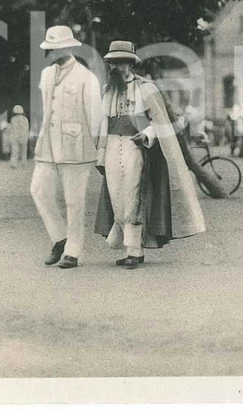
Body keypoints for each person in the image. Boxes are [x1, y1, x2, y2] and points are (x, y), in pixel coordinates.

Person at [93, 40, 205, 269]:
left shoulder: (146, 88)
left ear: (130, 64)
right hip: (112, 146)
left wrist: (146, 135)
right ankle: (131, 248)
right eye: (113, 63)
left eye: (122, 62)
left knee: (133, 197)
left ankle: (134, 251)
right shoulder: (108, 91)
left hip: (135, 149)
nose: (117, 67)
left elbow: (160, 122)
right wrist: (101, 154)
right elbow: (103, 124)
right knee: (116, 198)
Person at [29, 25, 101, 269]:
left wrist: (97, 148)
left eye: (57, 48)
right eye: (50, 48)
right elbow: (45, 108)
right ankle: (60, 238)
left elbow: (95, 116)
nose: (52, 52)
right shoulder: (46, 74)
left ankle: (73, 250)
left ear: (69, 47)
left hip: (76, 146)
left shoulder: (86, 77)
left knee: (74, 201)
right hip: (48, 145)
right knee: (38, 190)